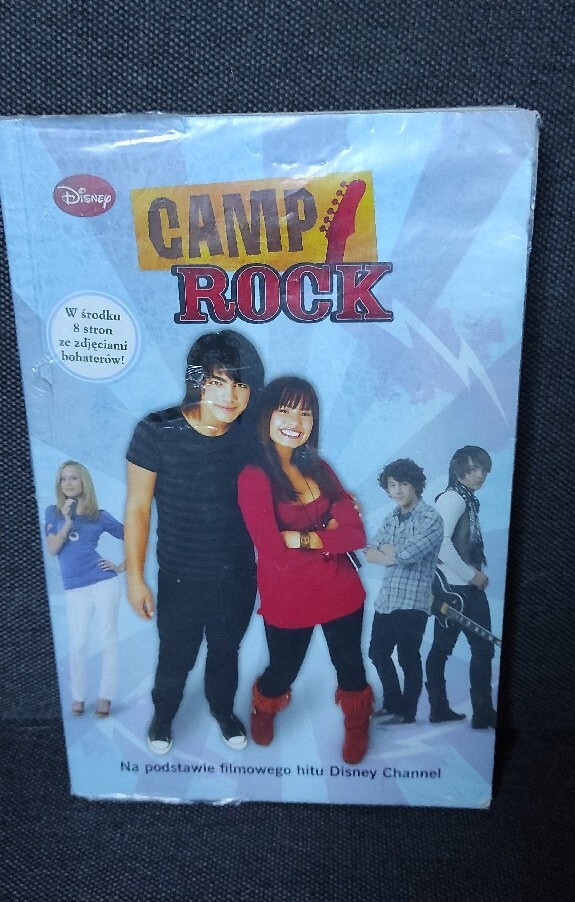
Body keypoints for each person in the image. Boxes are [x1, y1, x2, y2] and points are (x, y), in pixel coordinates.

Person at [125, 330, 264, 754]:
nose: (230, 396)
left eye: (240, 384)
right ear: (197, 381)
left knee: (226, 650)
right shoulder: (156, 430)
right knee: (176, 654)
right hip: (180, 575)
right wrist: (135, 578)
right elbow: (138, 508)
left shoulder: (252, 436)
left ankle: (222, 710)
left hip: (238, 575)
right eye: (218, 381)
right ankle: (163, 717)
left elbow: (288, 484)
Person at [238, 376, 373, 766]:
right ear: (266, 415)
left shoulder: (319, 465)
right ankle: (264, 706)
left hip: (341, 589)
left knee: (350, 665)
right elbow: (272, 552)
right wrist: (328, 533)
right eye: (285, 410)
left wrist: (302, 538)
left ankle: (358, 720)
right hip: (288, 595)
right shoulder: (254, 477)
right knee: (283, 670)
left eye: (305, 413)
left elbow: (356, 534)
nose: (295, 422)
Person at [366, 459, 443, 725]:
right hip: (387, 600)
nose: (397, 490)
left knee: (407, 657)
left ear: (416, 485)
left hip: (413, 601)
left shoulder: (430, 518)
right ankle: (392, 704)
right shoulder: (391, 517)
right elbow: (369, 552)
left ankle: (407, 712)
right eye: (392, 485)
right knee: (377, 653)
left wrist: (390, 552)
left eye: (403, 484)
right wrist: (391, 554)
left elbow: (409, 554)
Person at [45, 461, 125, 718]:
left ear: (84, 482)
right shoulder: (53, 513)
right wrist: (68, 521)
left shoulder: (98, 516)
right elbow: (53, 549)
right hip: (75, 589)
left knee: (107, 639)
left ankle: (105, 696)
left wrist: (121, 566)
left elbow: (134, 536)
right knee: (78, 644)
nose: (68, 483)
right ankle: (79, 696)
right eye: (63, 479)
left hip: (103, 583)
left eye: (73, 478)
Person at [425, 445, 497, 729]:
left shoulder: (464, 497)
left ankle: (445, 709)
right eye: (473, 468)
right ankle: (479, 712)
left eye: (483, 469)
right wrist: (471, 575)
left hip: (456, 589)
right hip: (459, 590)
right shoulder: (454, 499)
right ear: (458, 470)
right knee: (478, 649)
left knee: (447, 649)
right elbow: (440, 544)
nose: (480, 475)